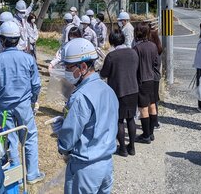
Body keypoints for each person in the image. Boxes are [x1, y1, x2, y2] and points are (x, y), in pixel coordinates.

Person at [51, 38, 118, 193]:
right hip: (106, 163)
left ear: (82, 66)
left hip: (85, 167)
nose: (66, 72)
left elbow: (69, 136)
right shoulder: (107, 89)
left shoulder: (80, 96)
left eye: (68, 67)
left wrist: (62, 136)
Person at [0, 21, 45, 184]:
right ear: (18, 39)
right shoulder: (28, 59)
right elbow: (36, 84)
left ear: (2, 40)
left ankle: (16, 176)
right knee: (30, 136)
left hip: (3, 107)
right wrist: (33, 101)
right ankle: (32, 175)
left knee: (9, 138)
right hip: (24, 105)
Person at [101, 31, 139, 157]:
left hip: (118, 91)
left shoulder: (111, 56)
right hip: (133, 89)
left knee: (119, 120)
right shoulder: (133, 52)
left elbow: (103, 73)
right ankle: (132, 147)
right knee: (131, 118)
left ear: (112, 41)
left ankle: (122, 148)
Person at [133, 23, 158, 144]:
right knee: (152, 106)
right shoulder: (153, 46)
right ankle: (151, 133)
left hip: (142, 80)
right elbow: (156, 62)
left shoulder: (137, 48)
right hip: (152, 79)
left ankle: (146, 135)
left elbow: (134, 67)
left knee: (143, 108)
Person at [148, 28, 163, 130]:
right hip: (155, 77)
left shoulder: (153, 50)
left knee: (153, 101)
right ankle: (154, 121)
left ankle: (154, 122)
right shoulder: (157, 48)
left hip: (152, 77)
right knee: (154, 100)